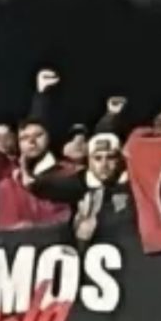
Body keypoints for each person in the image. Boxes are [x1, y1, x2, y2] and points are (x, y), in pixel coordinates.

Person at [0, 68, 75, 230]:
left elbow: (67, 218)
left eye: (38, 136)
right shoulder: (4, 171)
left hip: (50, 250)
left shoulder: (65, 173)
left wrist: (34, 229)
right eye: (25, 138)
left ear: (48, 138)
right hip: (9, 250)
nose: (31, 142)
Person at [29, 98, 133, 244]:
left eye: (110, 158)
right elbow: (41, 186)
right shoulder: (76, 184)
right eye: (97, 158)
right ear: (89, 160)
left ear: (120, 160)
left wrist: (111, 116)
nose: (104, 164)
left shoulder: (133, 185)